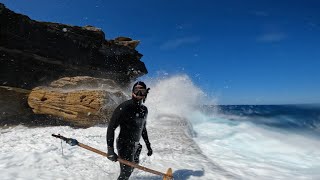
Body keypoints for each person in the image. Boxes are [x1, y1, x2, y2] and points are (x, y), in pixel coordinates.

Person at [106, 81, 153, 180]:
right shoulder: (124, 107)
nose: (139, 93)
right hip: (124, 144)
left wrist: (148, 145)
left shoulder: (144, 110)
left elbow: (142, 128)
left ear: (146, 93)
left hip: (136, 145)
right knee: (126, 173)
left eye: (142, 91)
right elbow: (111, 127)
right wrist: (110, 149)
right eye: (137, 90)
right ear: (132, 92)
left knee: (133, 166)